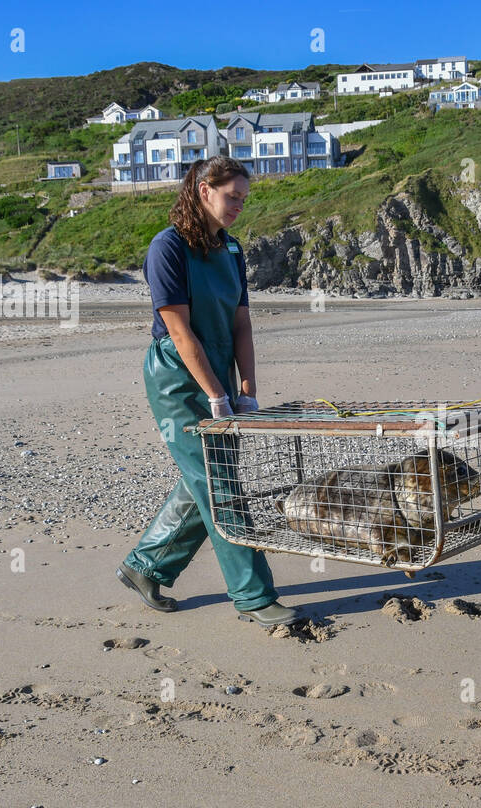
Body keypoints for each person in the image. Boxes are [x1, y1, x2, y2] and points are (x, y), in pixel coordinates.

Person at [116, 157, 304, 627]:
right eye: (231, 196)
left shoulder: (233, 251)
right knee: (219, 484)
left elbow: (241, 323)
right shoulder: (168, 248)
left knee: (205, 477)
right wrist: (214, 396)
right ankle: (255, 597)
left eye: (244, 197)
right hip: (178, 377)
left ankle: (146, 566)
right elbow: (180, 332)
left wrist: (245, 389)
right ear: (203, 191)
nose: (239, 205)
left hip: (218, 366)